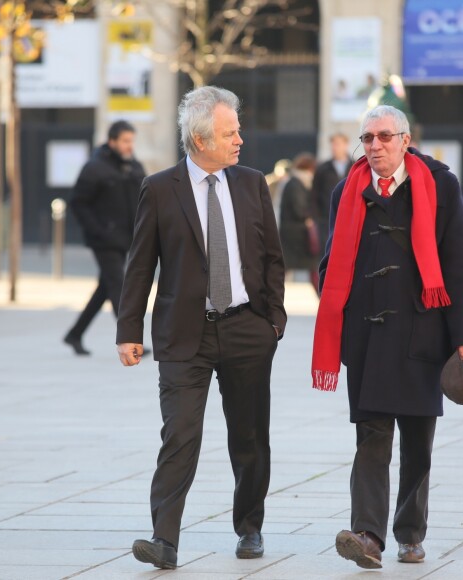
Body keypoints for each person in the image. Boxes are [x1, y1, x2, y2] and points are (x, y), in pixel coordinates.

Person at [312, 105, 463, 569]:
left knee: (417, 443)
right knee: (370, 438)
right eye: (367, 139)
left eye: (384, 137)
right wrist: (333, 299)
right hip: (366, 336)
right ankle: (367, 535)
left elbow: (460, 263)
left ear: (405, 140)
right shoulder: (345, 191)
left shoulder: (440, 186)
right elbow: (331, 259)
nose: (375, 147)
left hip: (421, 333)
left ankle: (411, 533)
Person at [116, 86, 286, 570]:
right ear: (200, 138)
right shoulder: (160, 187)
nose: (240, 141)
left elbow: (273, 257)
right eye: (230, 133)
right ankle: (164, 540)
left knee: (249, 435)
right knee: (181, 434)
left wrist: (272, 321)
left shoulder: (252, 183)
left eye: (238, 131)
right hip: (183, 335)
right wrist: (130, 329)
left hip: (246, 328)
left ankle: (249, 525)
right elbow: (140, 263)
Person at [63, 120, 146, 355]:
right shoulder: (95, 168)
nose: (130, 146)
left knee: (106, 287)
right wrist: (99, 229)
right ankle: (130, 339)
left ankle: (75, 334)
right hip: (104, 239)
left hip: (126, 238)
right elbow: (78, 203)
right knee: (118, 285)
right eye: (125, 141)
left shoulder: (133, 166)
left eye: (132, 141)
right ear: (112, 141)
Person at [279, 152, 319, 292]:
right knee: (313, 267)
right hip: (297, 235)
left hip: (294, 234)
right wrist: (311, 218)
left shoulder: (294, 182)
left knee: (287, 268)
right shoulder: (296, 184)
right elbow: (299, 209)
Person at [312, 133, 352, 259]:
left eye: (338, 144)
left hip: (349, 217)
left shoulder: (356, 167)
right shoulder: (323, 168)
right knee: (327, 253)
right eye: (333, 144)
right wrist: (316, 217)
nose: (335, 147)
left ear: (346, 145)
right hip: (326, 219)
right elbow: (314, 194)